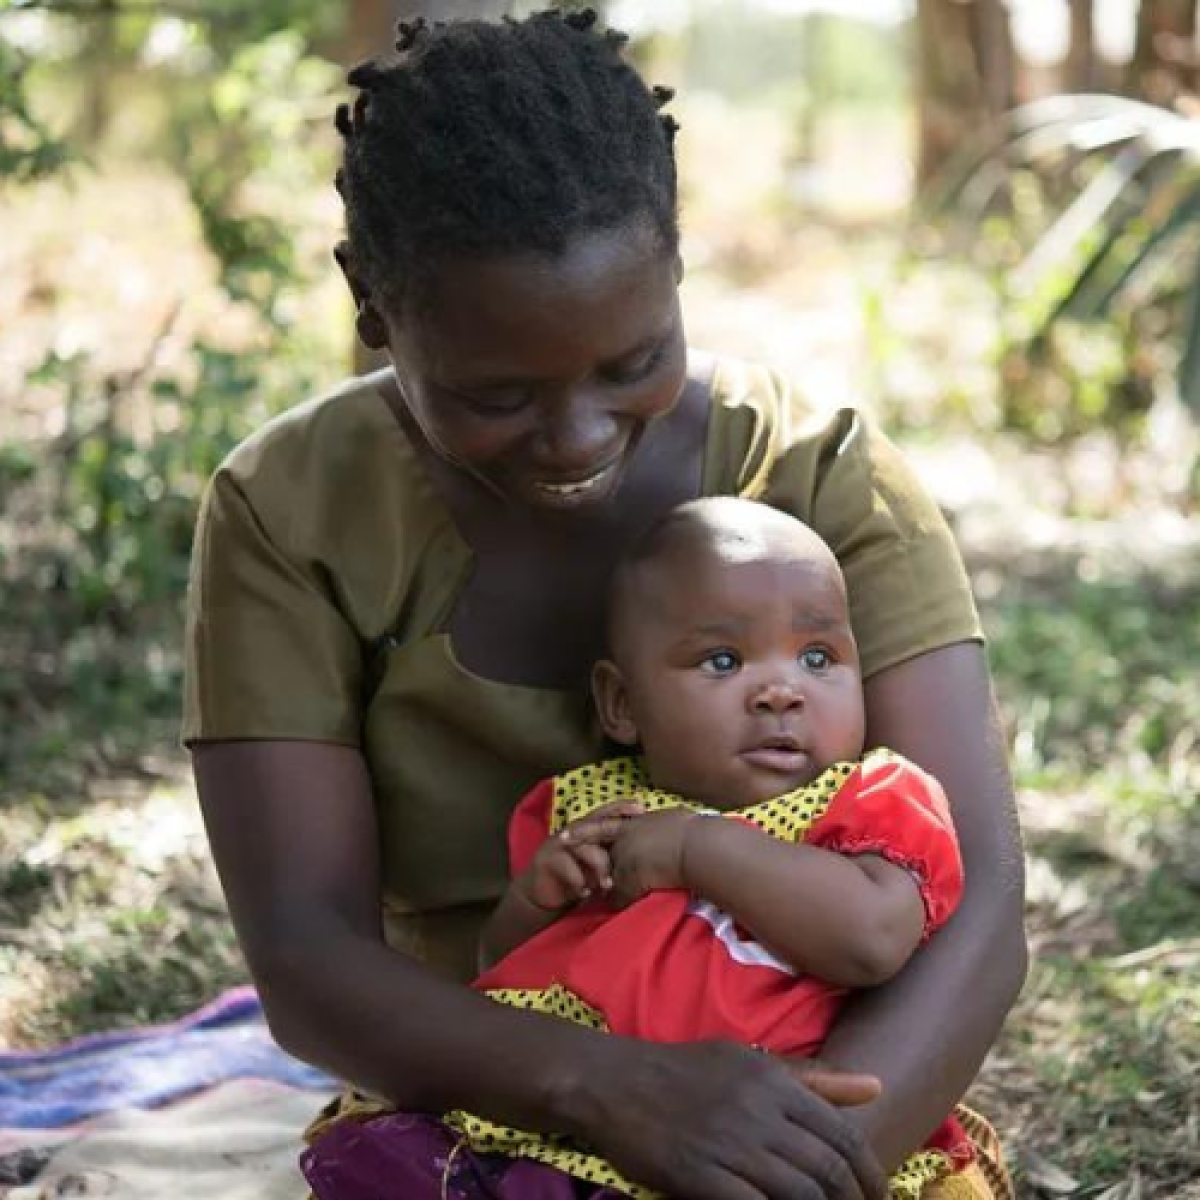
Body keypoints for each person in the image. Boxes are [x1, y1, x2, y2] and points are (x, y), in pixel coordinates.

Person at [184, 9, 1026, 1199]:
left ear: (676, 265)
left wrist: (810, 1167)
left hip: (814, 1090)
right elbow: (310, 959)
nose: (577, 438)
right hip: (489, 1086)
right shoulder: (289, 514)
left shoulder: (819, 476)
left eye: (632, 363)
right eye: (496, 392)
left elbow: (979, 906)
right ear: (371, 306)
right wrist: (608, 1091)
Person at [299, 497, 990, 1199]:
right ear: (621, 705)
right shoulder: (599, 808)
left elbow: (873, 938)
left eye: (819, 657)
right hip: (584, 1122)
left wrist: (698, 849)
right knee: (394, 1164)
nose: (781, 691)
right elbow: (505, 977)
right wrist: (533, 904)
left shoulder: (865, 801)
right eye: (723, 661)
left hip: (760, 1130)